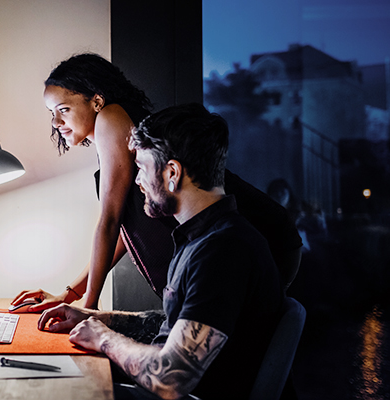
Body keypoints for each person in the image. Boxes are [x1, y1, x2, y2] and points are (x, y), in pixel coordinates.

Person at [12, 54, 300, 312]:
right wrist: (72, 295)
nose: (55, 122)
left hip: (265, 235)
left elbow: (110, 220)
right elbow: (124, 228)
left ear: (96, 101)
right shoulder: (118, 131)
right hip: (259, 246)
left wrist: (88, 306)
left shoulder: (110, 118)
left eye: (63, 109)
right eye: (52, 113)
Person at [39, 104, 285, 399]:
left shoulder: (221, 251)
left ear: (172, 173)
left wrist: (103, 339)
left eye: (141, 168)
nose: (138, 183)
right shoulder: (201, 237)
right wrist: (95, 318)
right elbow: (172, 323)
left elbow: (172, 378)